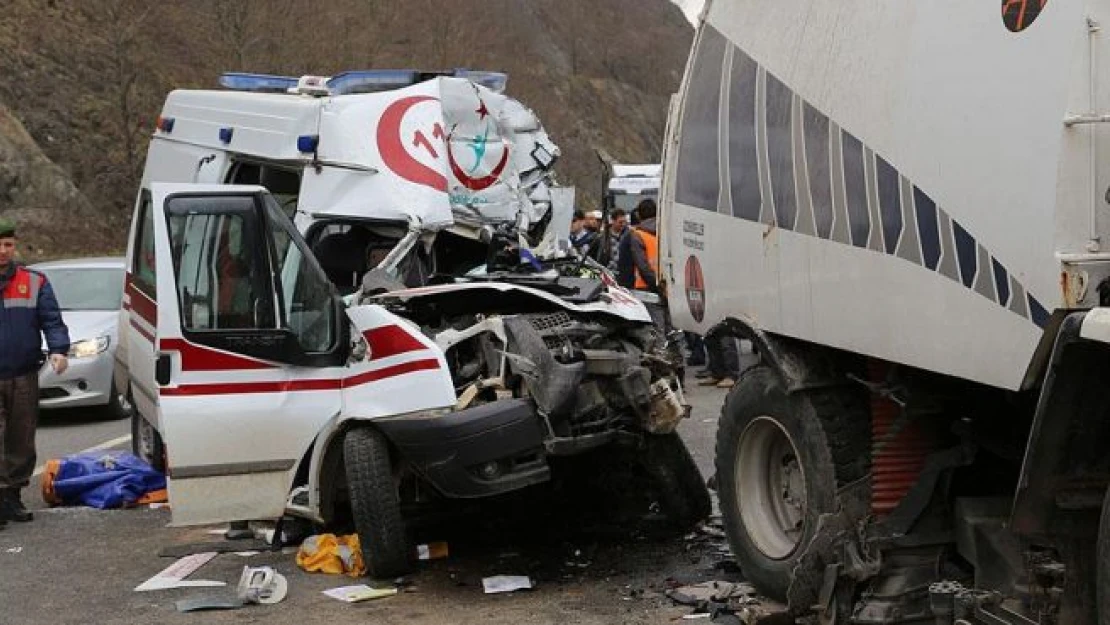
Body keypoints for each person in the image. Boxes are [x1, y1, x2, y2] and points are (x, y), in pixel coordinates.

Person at [0, 218, 69, 525]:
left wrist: (58, 350)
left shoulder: (35, 282)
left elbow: (51, 320)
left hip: (23, 374)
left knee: (20, 439)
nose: (3, 251)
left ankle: (12, 496)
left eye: (7, 245)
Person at [629, 199, 660, 294]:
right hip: (666, 286)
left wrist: (657, 287)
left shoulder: (638, 235)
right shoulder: (666, 231)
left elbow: (643, 267)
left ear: (639, 215)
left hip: (644, 288)